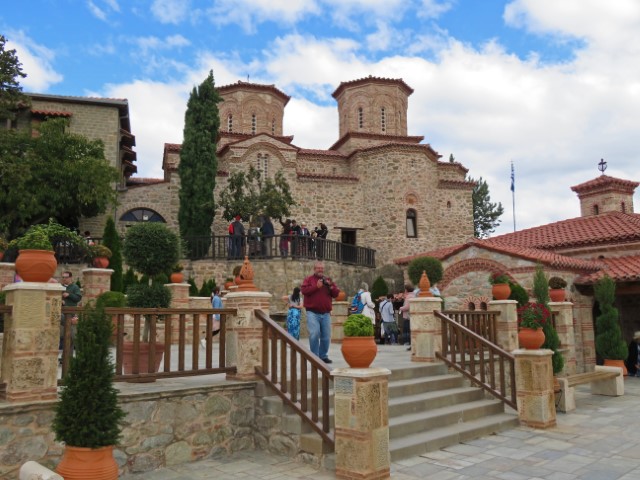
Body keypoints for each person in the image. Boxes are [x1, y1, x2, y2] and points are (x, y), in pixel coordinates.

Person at [301, 262, 340, 363]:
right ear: (314, 269)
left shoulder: (328, 280)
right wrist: (316, 287)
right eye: (318, 268)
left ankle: (323, 356)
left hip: (326, 313)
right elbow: (304, 291)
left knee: (326, 336)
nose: (320, 270)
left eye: (322, 268)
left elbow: (335, 294)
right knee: (314, 333)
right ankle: (314, 357)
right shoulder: (308, 279)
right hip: (312, 313)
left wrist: (331, 286)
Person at [60, 271, 82, 352]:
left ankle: (67, 358)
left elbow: (78, 298)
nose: (64, 279)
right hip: (62, 314)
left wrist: (69, 295)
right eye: (63, 277)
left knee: (71, 336)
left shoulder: (74, 287)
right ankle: (67, 358)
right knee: (70, 335)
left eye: (66, 277)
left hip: (71, 313)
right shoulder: (60, 287)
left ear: (70, 278)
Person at [399, 284, 414, 351]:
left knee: (407, 330)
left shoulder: (409, 297)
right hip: (412, 315)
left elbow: (407, 307)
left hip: (408, 316)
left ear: (406, 290)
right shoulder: (413, 295)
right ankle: (411, 344)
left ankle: (408, 342)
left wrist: (401, 308)